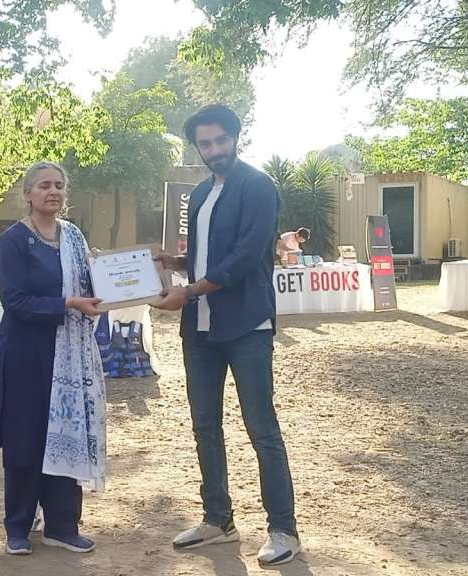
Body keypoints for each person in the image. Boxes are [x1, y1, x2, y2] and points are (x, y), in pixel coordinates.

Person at [153, 105, 300, 565]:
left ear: (235, 138)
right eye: (205, 143)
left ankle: (283, 529)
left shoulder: (258, 186)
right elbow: (205, 255)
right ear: (196, 146)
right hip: (200, 328)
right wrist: (172, 264)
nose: (213, 149)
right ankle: (218, 520)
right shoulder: (199, 194)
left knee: (262, 428)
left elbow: (246, 256)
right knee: (204, 426)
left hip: (246, 324)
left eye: (220, 140)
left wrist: (190, 290)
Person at [0, 161, 104, 556]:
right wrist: (67, 304)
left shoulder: (74, 237)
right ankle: (18, 527)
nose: (52, 191)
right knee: (25, 437)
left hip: (68, 355)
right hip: (25, 353)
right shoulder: (13, 241)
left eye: (58, 185)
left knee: (66, 434)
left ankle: (62, 525)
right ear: (28, 193)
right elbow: (15, 301)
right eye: (44, 186)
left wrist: (132, 277)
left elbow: (93, 284)